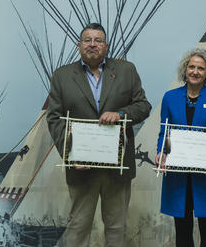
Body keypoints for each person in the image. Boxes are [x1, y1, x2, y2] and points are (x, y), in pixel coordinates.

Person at [47, 22, 151, 247]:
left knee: (116, 229)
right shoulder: (62, 76)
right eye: (88, 40)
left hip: (118, 166)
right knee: (78, 228)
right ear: (79, 45)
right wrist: (70, 154)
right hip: (81, 168)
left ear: (106, 46)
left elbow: (143, 106)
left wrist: (121, 114)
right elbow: (54, 119)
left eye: (98, 40)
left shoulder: (127, 70)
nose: (93, 45)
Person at [155, 48, 206, 247]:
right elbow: (164, 133)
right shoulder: (170, 97)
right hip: (178, 175)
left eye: (200, 68)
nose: (195, 71)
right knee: (182, 231)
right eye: (191, 67)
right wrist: (161, 153)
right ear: (185, 70)